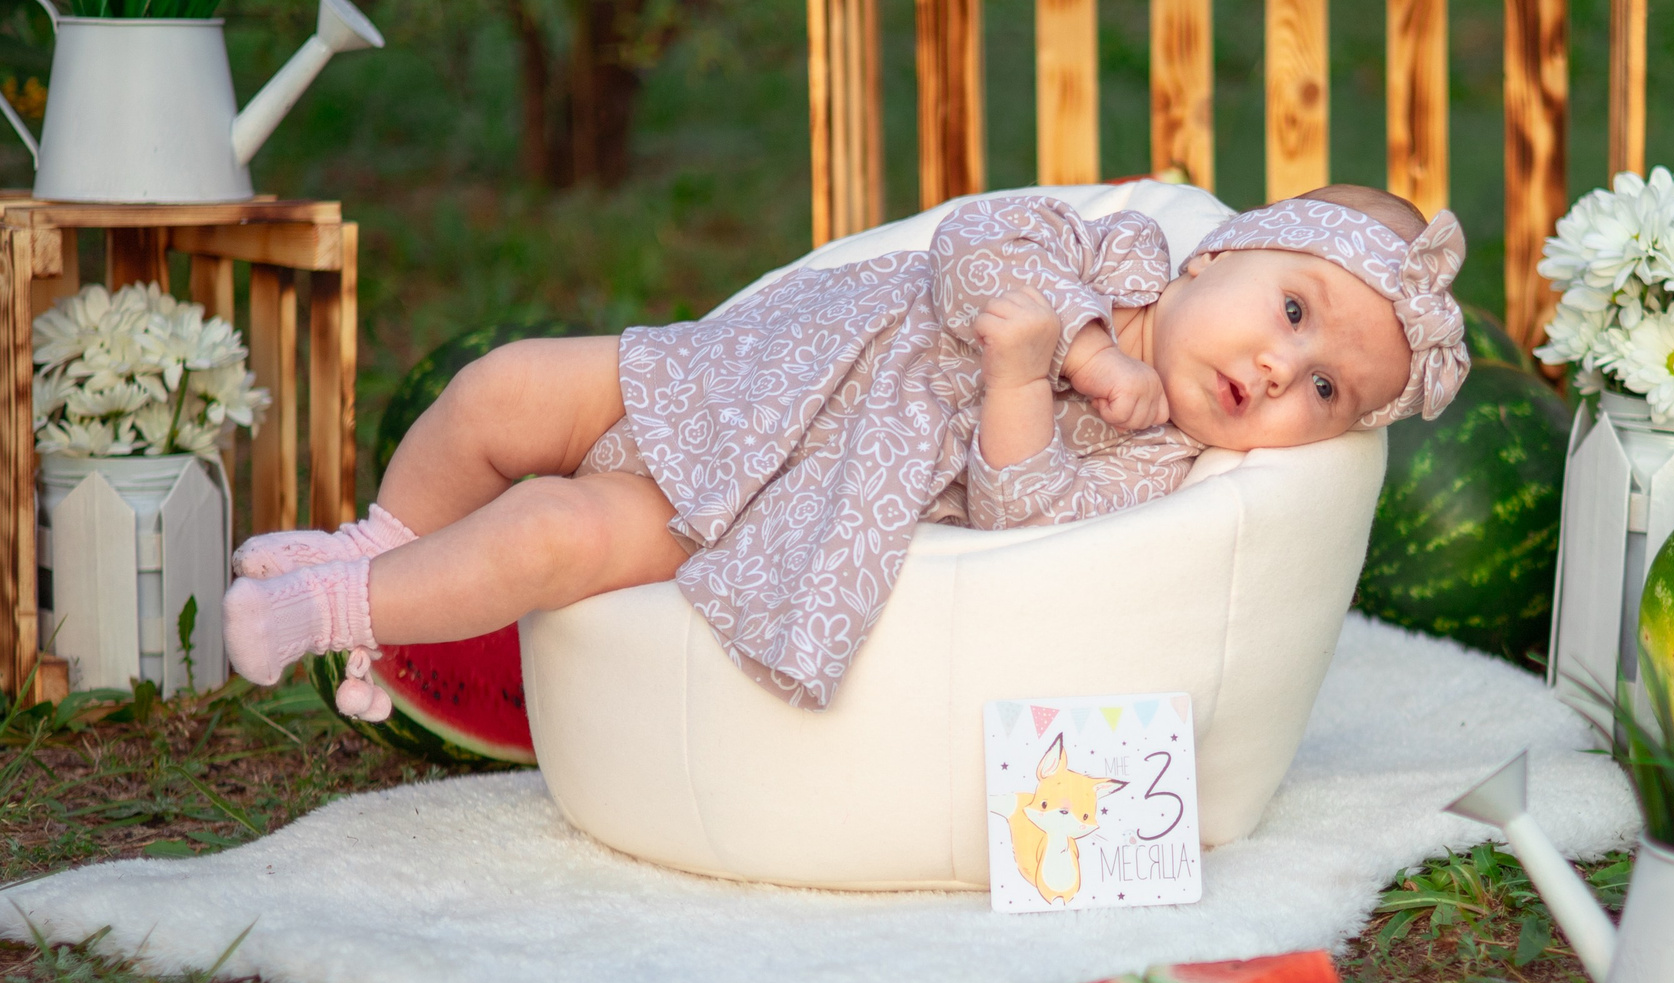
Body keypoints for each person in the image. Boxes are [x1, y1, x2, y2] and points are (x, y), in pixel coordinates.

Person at [223, 185, 1468, 714]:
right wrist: (1086, 346)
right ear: (1215, 257)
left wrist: (1026, 382)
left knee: (561, 528)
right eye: (1292, 314)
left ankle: (341, 607)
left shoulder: (1150, 460)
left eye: (1322, 390)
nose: (1275, 370)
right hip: (736, 374)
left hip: (777, 500)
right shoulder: (1118, 250)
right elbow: (978, 243)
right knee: (498, 389)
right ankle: (382, 547)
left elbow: (1026, 515)